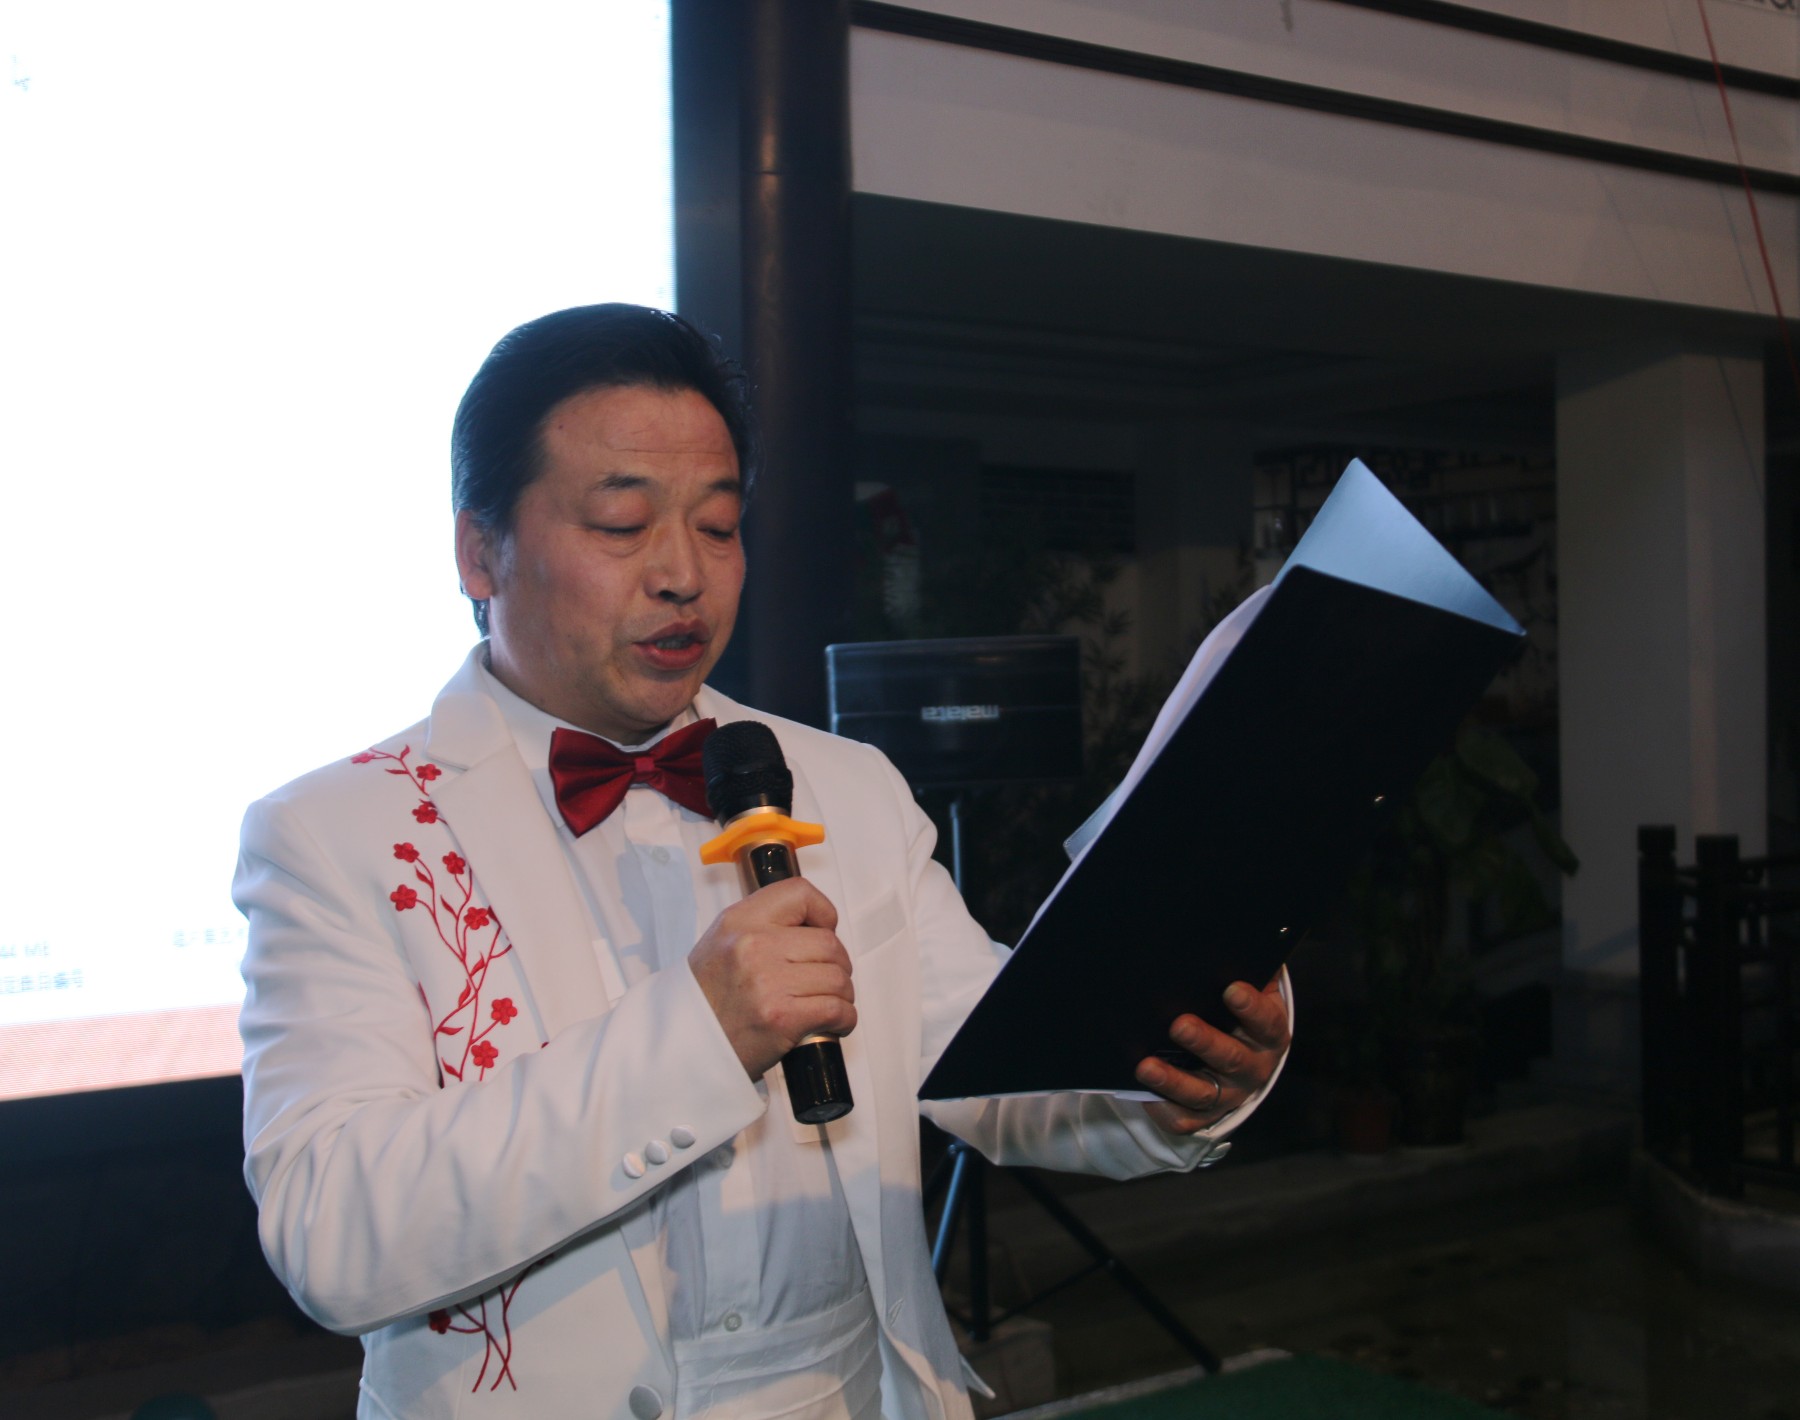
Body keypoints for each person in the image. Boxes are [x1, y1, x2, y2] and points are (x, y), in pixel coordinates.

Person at [234, 304, 1293, 1420]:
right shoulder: (339, 831)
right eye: (622, 524)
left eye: (719, 524)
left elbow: (1001, 1071)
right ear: (478, 551)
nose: (683, 574)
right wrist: (701, 1032)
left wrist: (1177, 1067)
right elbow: (331, 1234)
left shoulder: (848, 787)